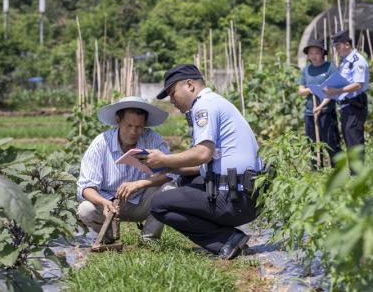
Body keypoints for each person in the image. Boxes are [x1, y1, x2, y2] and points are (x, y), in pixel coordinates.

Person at [141, 64, 262, 260]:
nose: (172, 100)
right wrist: (167, 166)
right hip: (244, 193)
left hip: (236, 197)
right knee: (183, 182)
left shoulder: (203, 106)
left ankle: (227, 240)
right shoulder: (214, 102)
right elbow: (204, 164)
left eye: (172, 93)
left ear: (189, 85)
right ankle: (226, 236)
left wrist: (164, 158)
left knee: (159, 204)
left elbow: (203, 153)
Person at [76, 96, 174, 242]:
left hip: (142, 202)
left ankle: (149, 239)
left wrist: (140, 184)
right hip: (108, 206)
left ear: (145, 125)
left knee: (170, 189)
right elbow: (85, 187)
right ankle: (107, 236)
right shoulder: (100, 144)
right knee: (85, 209)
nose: (134, 131)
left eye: (139, 127)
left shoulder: (153, 140)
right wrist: (103, 202)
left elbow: (172, 172)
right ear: (118, 121)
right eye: (129, 126)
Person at [324, 30, 369, 165]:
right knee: (350, 140)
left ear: (347, 45)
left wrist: (337, 90)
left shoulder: (357, 61)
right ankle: (354, 172)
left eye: (338, 47)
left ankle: (358, 175)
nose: (337, 50)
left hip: (355, 105)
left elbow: (357, 84)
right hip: (346, 106)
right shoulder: (345, 62)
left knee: (355, 141)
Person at [298, 38, 341, 168]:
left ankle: (337, 170)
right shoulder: (306, 70)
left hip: (326, 112)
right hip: (310, 112)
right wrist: (311, 89)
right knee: (313, 144)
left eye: (316, 53)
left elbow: (332, 91)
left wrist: (321, 106)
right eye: (311, 53)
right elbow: (300, 91)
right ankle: (317, 169)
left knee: (331, 142)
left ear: (322, 53)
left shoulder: (330, 68)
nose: (313, 56)